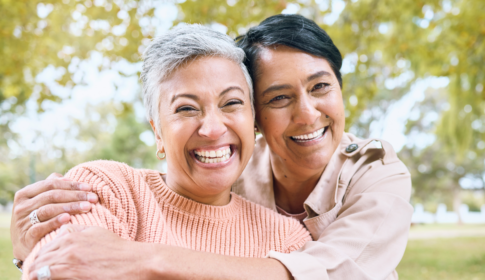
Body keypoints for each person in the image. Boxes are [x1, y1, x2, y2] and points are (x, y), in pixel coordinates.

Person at [12, 14, 413, 280]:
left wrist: (143, 260)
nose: (212, 128)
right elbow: (67, 263)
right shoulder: (109, 188)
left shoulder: (298, 231)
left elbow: (328, 271)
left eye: (230, 103)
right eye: (186, 108)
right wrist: (29, 252)